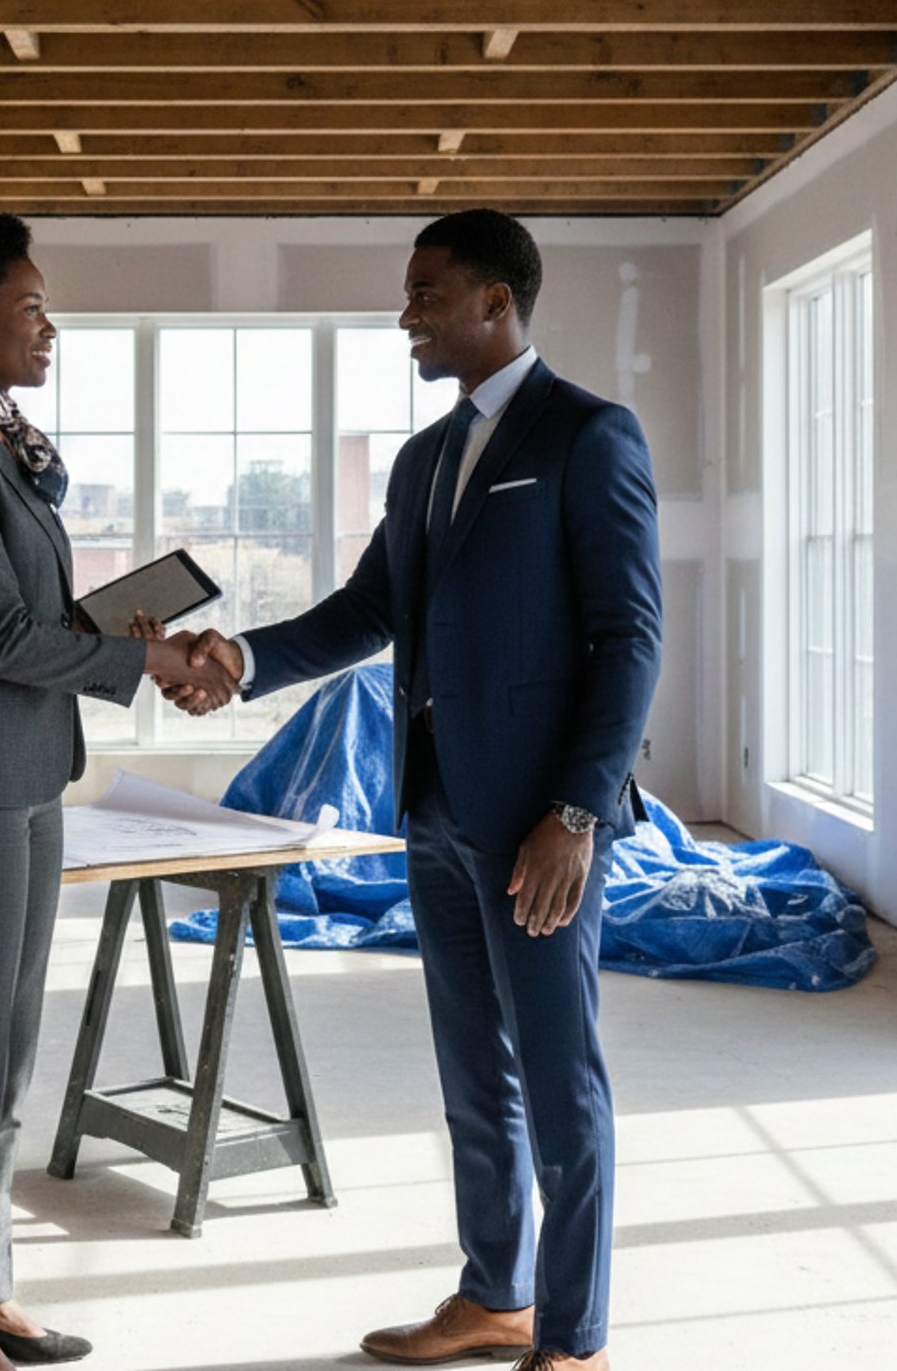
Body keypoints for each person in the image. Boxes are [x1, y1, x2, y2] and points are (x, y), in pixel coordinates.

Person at [165, 210, 661, 1371]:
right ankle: (497, 1293)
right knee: (470, 1069)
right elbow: (367, 608)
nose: (407, 317)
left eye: (426, 295)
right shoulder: (423, 457)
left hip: (540, 822)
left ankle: (576, 1335)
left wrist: (577, 815)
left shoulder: (590, 434)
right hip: (431, 811)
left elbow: (630, 638)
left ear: (497, 301)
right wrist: (240, 661)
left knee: (558, 1074)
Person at [0, 213, 236, 1371]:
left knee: (7, 1052)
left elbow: (31, 627)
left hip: (22, 765)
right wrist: (149, 661)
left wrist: (112, 629)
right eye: (28, 307)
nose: (48, 325)